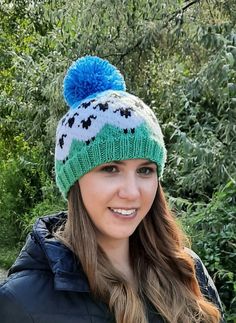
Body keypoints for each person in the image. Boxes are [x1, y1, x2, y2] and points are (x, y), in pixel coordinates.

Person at [0, 56, 224, 323]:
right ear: (75, 180)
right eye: (110, 169)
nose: (131, 192)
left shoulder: (187, 270)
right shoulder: (20, 303)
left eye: (145, 170)